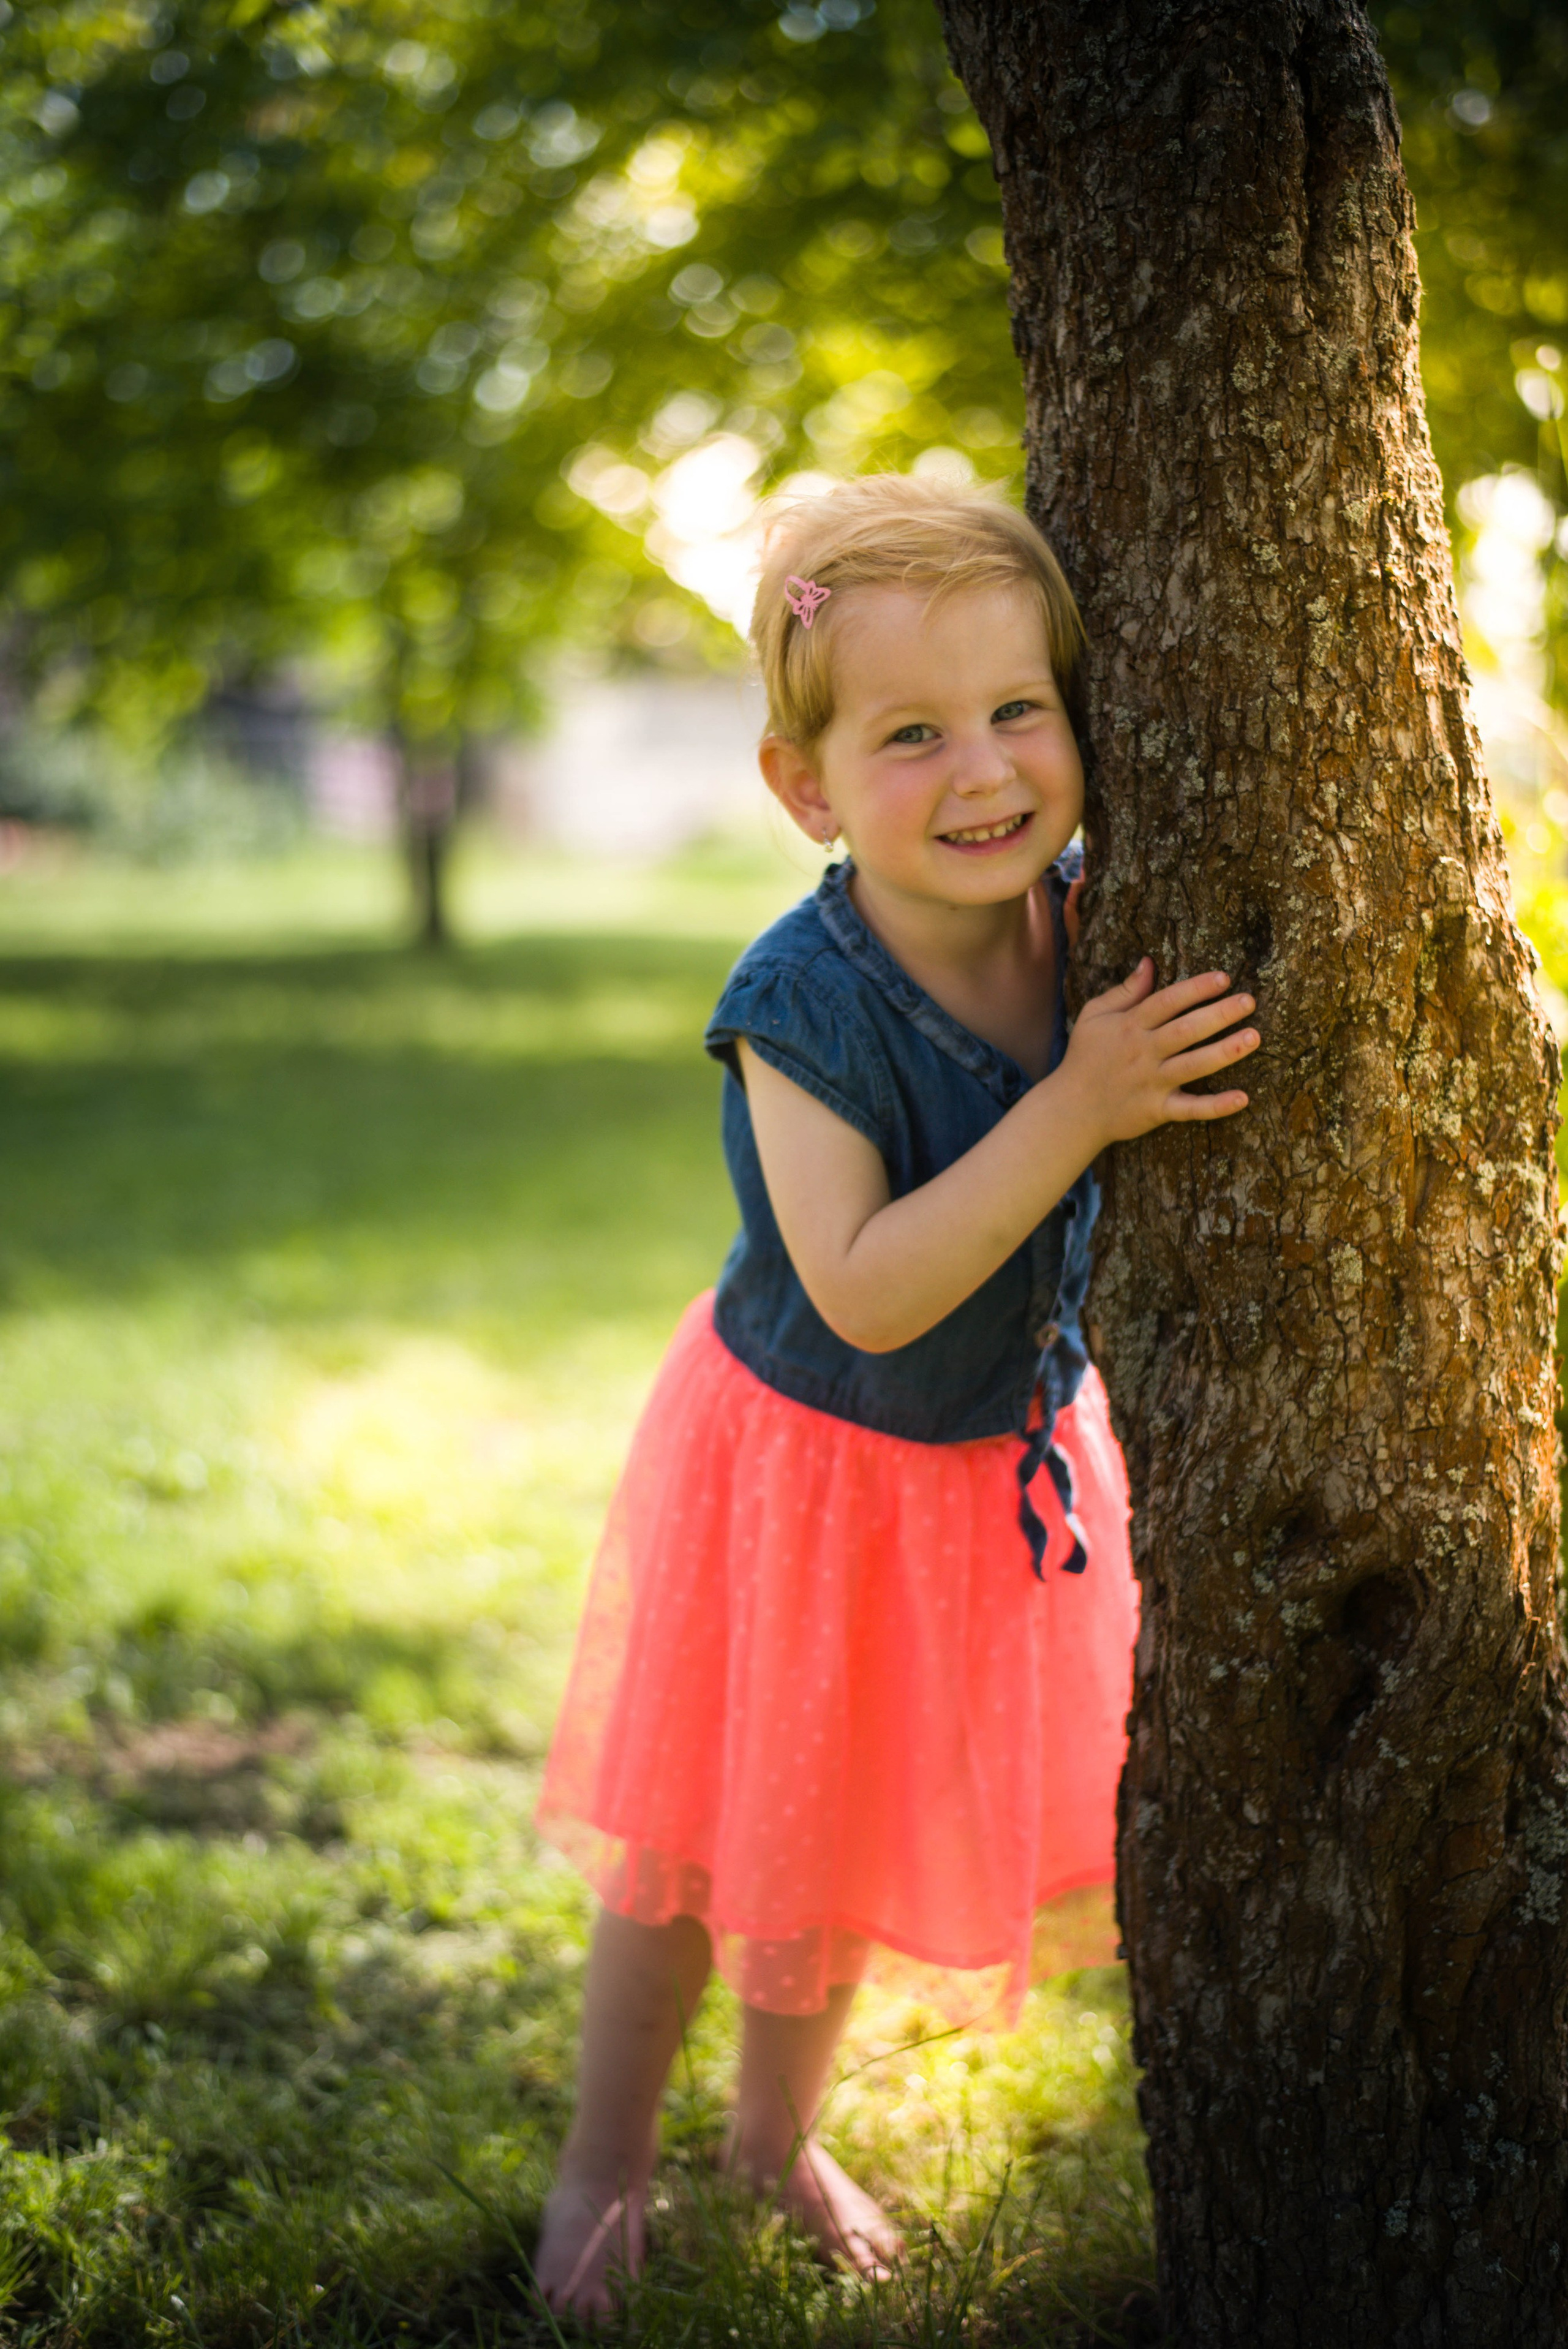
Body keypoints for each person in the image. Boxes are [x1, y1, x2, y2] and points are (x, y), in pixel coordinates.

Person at [533, 473, 1259, 2316]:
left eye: (1023, 711)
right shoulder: (806, 999)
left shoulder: (1091, 919)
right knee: (699, 1846)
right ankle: (603, 2169)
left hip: (973, 1472)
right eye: (912, 732)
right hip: (804, 1458)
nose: (985, 769)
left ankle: (771, 2136)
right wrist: (1077, 1107)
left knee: (833, 1825)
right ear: (809, 786)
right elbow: (863, 1285)